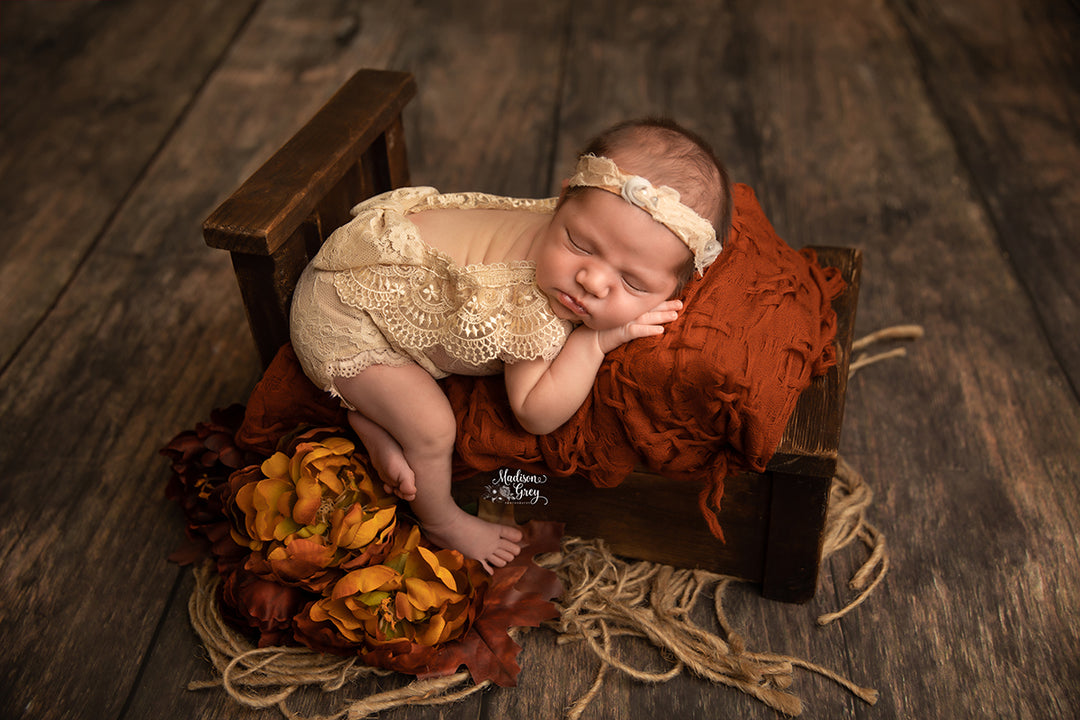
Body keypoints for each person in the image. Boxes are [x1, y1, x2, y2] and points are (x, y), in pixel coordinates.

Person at [290, 119, 731, 572]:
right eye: (579, 244)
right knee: (433, 427)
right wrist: (595, 341)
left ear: (676, 289)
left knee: (406, 403)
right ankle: (442, 519)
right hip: (344, 315)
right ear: (562, 201)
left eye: (633, 282)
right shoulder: (533, 299)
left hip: (374, 275)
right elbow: (535, 412)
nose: (592, 281)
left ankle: (371, 420)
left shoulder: (588, 222)